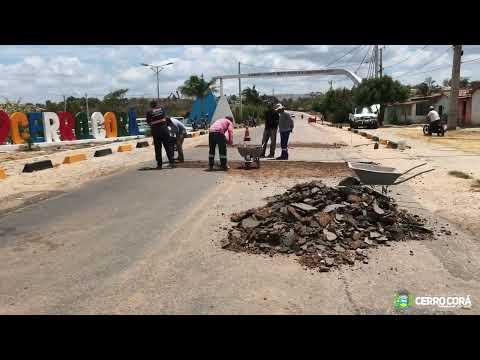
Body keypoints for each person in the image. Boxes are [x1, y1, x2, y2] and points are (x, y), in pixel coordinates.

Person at [146, 101, 175, 169]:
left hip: (156, 132)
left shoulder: (149, 112)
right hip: (164, 130)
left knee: (158, 149)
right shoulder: (162, 109)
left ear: (151, 105)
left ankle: (159, 165)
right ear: (157, 104)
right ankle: (172, 163)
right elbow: (165, 118)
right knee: (168, 147)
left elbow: (148, 122)